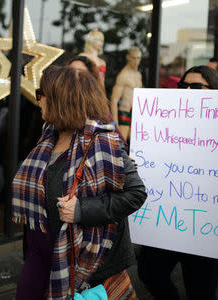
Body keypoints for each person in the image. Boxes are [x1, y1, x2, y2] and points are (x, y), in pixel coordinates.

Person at [12, 66, 147, 299]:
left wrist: (82, 210)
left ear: (59, 99)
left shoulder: (103, 143)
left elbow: (136, 193)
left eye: (41, 94)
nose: (38, 100)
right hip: (39, 254)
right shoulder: (49, 135)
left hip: (81, 261)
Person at [138, 65, 218, 300]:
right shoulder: (162, 128)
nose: (188, 90)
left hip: (209, 232)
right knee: (149, 273)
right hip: (167, 225)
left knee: (201, 292)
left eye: (196, 86)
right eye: (184, 86)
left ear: (215, 90)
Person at [110, 46, 143, 141]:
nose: (136, 61)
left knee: (135, 143)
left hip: (136, 113)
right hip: (124, 111)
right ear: (128, 57)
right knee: (122, 144)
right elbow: (114, 99)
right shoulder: (123, 75)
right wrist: (115, 123)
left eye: (138, 58)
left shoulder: (138, 75)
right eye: (134, 58)